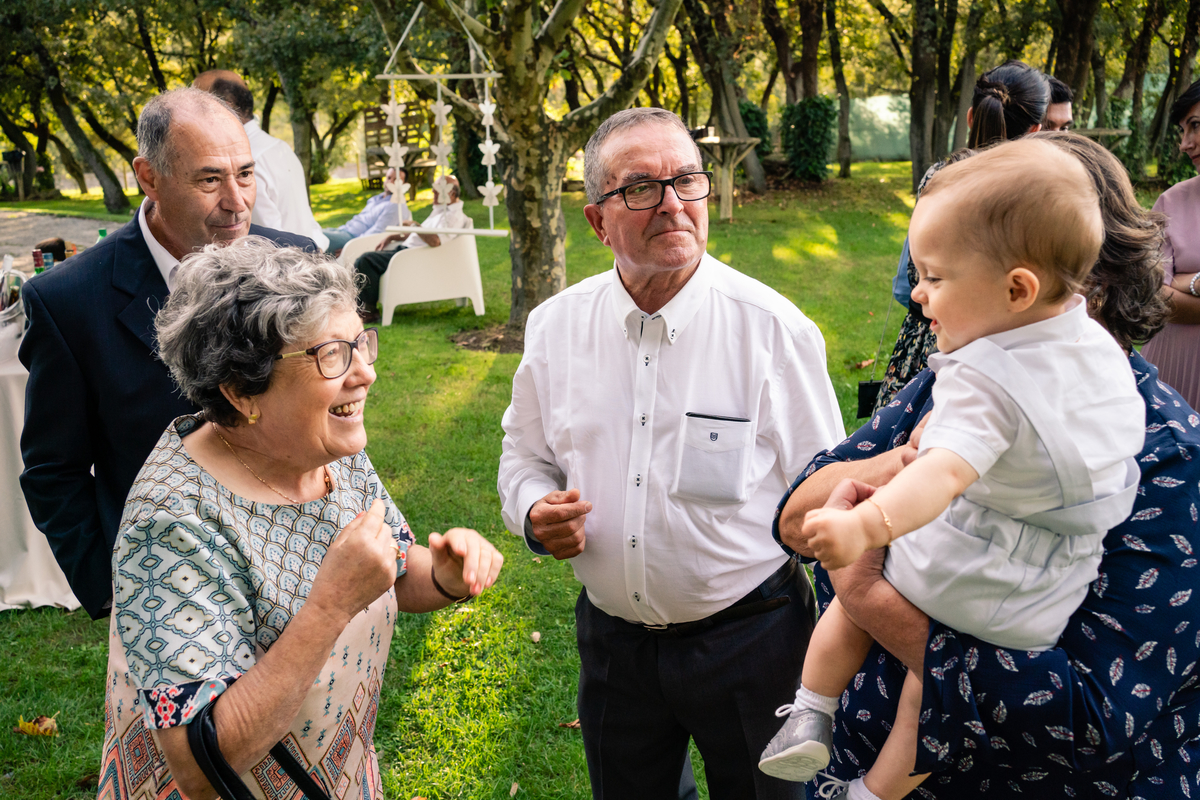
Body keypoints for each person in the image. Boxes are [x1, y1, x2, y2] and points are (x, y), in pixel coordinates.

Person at [773, 132, 1195, 799]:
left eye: (940, 276)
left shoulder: (1166, 450)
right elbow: (796, 517)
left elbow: (1091, 718)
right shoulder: (969, 371)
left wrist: (867, 596)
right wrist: (903, 463)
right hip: (857, 748)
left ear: (1047, 285)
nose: (919, 296)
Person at [497, 107, 844, 800]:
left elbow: (832, 490)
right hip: (614, 648)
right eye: (640, 188)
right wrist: (534, 511)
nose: (672, 203)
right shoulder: (556, 328)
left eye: (687, 180)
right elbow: (524, 456)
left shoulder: (773, 331)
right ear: (598, 222)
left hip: (755, 642)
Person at [95, 237, 503, 800]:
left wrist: (443, 575)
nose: (365, 373)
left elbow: (387, 570)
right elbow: (198, 772)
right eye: (332, 354)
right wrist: (328, 607)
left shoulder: (326, 447)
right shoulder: (171, 521)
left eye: (360, 344)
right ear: (241, 392)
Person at [18, 87, 315, 620]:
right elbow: (53, 470)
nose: (237, 201)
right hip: (166, 592)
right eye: (210, 180)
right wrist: (110, 588)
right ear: (149, 177)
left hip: (301, 560)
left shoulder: (296, 261)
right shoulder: (67, 302)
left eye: (245, 174)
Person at [875, 61, 1050, 414]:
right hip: (999, 356)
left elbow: (908, 283)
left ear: (971, 117)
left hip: (924, 342)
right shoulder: (1036, 197)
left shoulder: (940, 177)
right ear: (1036, 130)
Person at [194, 70, 330, 252]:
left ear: (226, 108)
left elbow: (266, 243)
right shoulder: (282, 148)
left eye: (198, 105)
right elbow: (309, 224)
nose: (190, 113)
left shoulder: (245, 163)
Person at [1139, 79, 1200, 409]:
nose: (1184, 144)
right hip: (1171, 373)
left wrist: (1181, 282)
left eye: (1196, 126)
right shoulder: (1170, 201)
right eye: (1182, 130)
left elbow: (1165, 287)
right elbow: (1151, 295)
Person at [352, 175, 467, 323]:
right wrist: (393, 237)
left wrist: (414, 225)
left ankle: (369, 312)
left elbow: (435, 240)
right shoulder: (441, 211)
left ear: (451, 192)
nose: (432, 191)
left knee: (366, 261)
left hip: (413, 257)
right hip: (406, 251)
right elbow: (422, 235)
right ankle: (360, 309)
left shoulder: (453, 217)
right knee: (364, 259)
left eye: (437, 189)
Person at [320, 167, 412, 255]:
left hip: (351, 239)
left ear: (404, 184)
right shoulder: (377, 198)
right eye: (388, 178)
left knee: (314, 237)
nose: (390, 182)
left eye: (396, 180)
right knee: (314, 232)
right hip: (343, 229)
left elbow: (377, 232)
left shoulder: (395, 206)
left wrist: (351, 249)